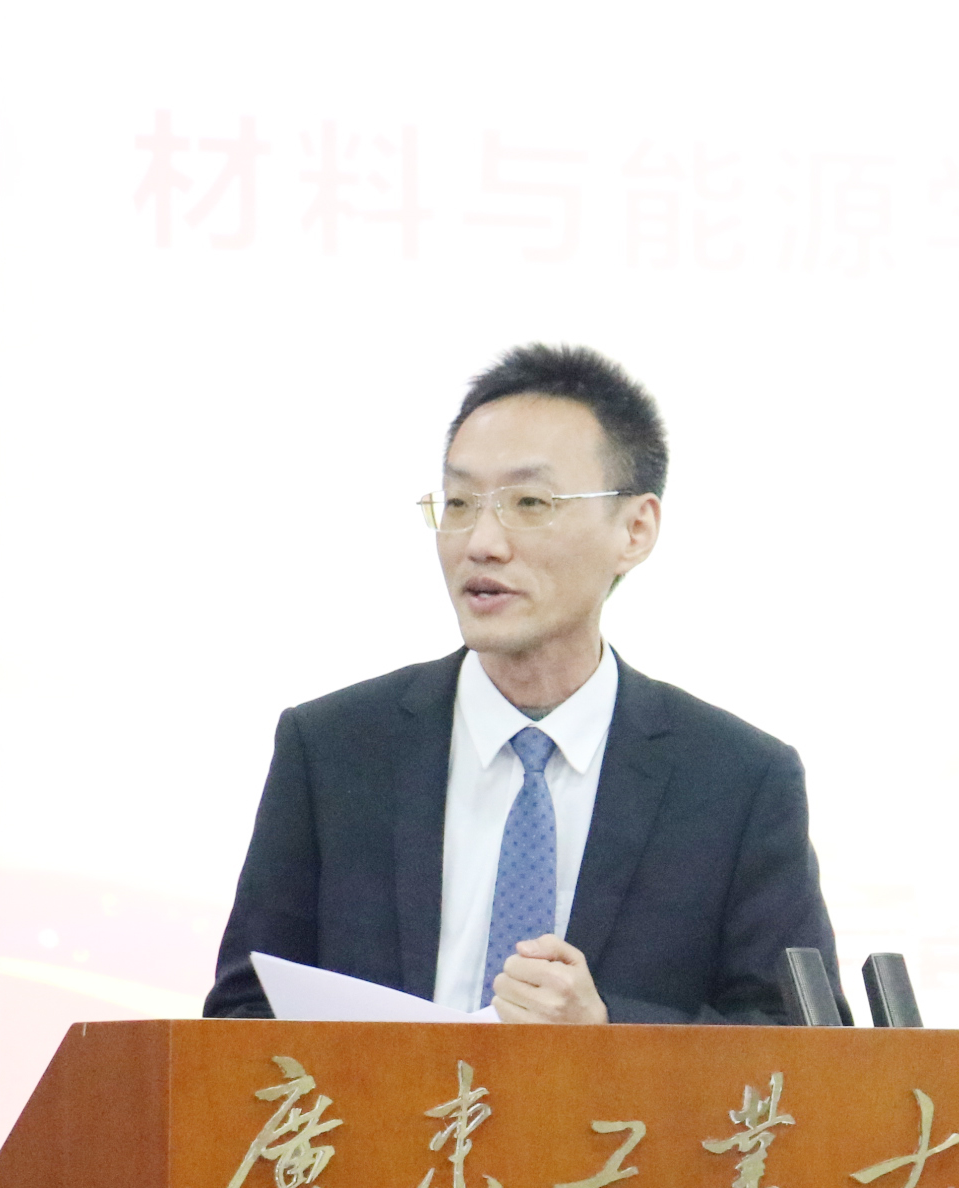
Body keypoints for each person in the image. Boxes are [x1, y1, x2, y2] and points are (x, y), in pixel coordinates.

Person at [203, 345, 838, 1024]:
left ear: (635, 529)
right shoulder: (334, 750)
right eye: (458, 502)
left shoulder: (737, 780)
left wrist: (606, 1035)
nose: (481, 542)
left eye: (530, 502)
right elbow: (242, 1014)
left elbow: (801, 1046)